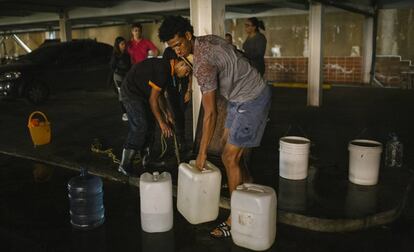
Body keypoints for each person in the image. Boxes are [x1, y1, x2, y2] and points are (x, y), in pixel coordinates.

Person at [159, 16, 271, 238]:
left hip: (252, 98)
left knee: (229, 157)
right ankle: (248, 191)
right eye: (172, 48)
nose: (178, 51)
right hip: (238, 99)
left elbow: (210, 113)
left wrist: (201, 154)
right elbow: (236, 54)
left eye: (179, 44)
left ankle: (234, 219)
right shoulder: (207, 40)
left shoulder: (202, 63)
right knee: (229, 151)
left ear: (188, 36)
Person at [118, 55, 192, 176]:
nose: (186, 74)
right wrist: (162, 123)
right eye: (187, 71)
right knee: (140, 126)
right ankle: (124, 165)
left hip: (142, 93)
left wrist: (166, 113)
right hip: (132, 92)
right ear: (181, 64)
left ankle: (147, 161)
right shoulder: (163, 69)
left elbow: (159, 95)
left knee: (151, 125)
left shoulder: (169, 71)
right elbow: (153, 100)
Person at [162, 47, 192, 152]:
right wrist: (164, 89)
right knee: (174, 111)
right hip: (170, 84)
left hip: (182, 82)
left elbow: (189, 70)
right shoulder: (168, 52)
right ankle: (175, 140)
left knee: (181, 111)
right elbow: (164, 70)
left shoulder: (183, 49)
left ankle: (181, 138)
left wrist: (189, 90)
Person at [109, 36, 131, 121]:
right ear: (118, 45)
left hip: (126, 76)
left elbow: (129, 66)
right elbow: (112, 67)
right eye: (122, 44)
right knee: (121, 94)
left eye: (124, 43)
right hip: (118, 77)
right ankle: (124, 113)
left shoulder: (126, 55)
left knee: (127, 93)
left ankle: (129, 111)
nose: (124, 45)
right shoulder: (115, 56)